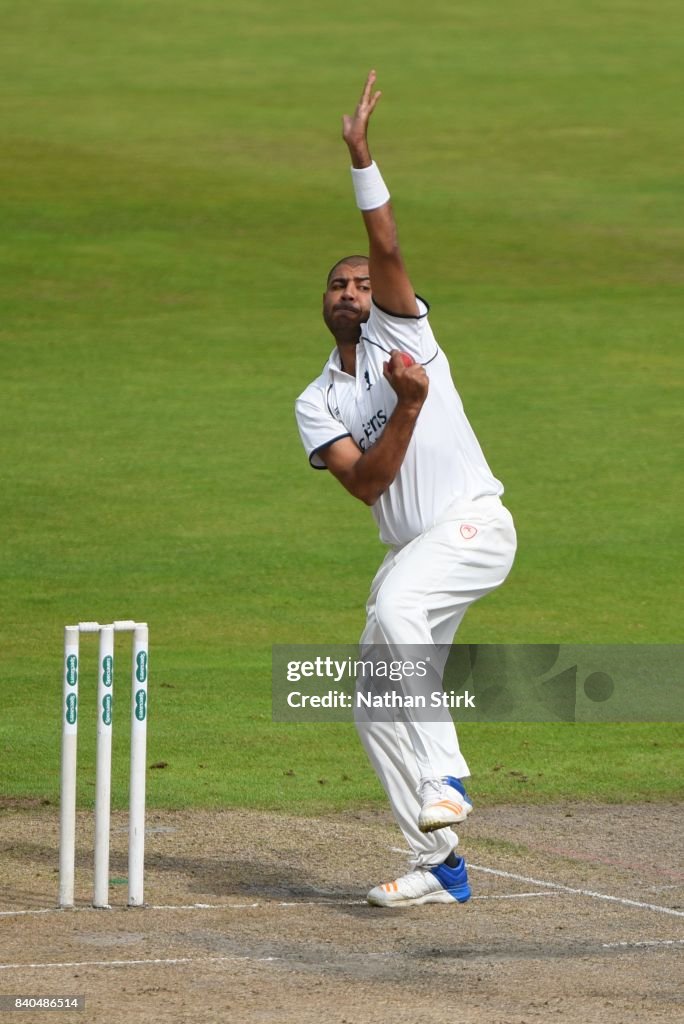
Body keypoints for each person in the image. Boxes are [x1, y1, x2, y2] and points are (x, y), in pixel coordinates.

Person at [295, 71, 517, 908]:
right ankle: (441, 862)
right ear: (322, 304)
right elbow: (368, 486)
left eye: (360, 283)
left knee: (397, 616)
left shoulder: (405, 329)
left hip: (473, 528)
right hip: (409, 550)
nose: (352, 291)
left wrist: (361, 158)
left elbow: (385, 244)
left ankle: (449, 773)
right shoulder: (317, 401)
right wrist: (410, 410)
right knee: (372, 710)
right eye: (337, 285)